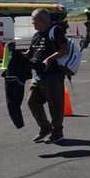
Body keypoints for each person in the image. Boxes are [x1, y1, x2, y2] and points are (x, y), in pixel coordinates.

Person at [25, 9, 69, 143]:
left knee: (55, 105)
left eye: (34, 22)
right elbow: (31, 52)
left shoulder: (55, 31)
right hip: (38, 75)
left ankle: (57, 133)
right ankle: (45, 128)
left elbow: (64, 50)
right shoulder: (36, 35)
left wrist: (49, 59)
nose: (33, 24)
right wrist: (17, 55)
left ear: (43, 21)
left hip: (53, 75)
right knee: (32, 101)